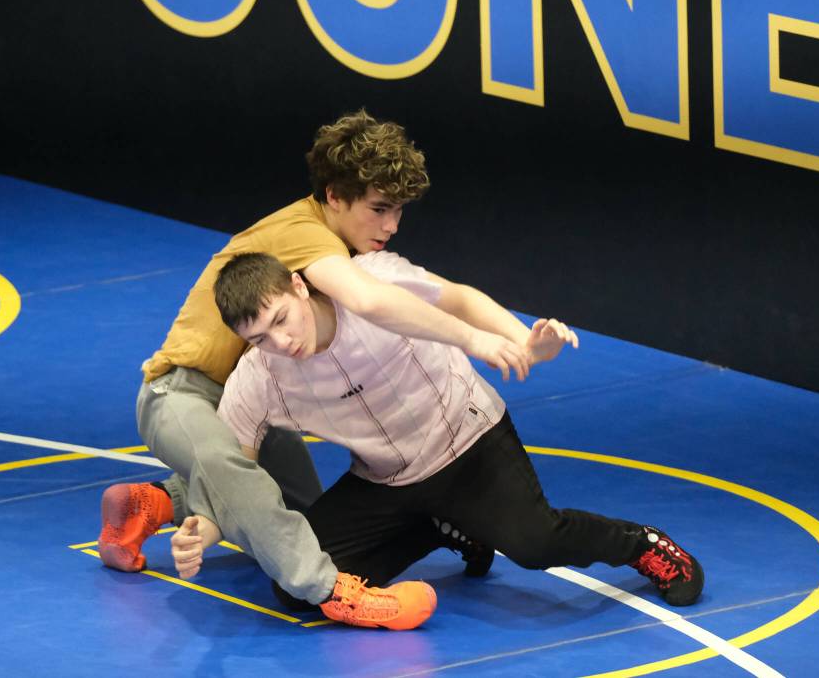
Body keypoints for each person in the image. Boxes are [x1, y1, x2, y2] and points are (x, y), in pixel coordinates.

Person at [97, 110, 530, 630]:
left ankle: (153, 503)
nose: (391, 226)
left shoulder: (338, 242)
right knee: (246, 488)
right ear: (334, 197)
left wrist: (525, 339)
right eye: (379, 209)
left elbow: (446, 293)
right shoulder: (305, 234)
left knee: (306, 519)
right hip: (183, 394)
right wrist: (475, 341)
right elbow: (369, 301)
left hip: (250, 399)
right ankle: (334, 593)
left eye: (398, 211)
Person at [170, 251, 705, 611]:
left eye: (282, 319)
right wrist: (206, 530)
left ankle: (641, 545)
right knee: (297, 587)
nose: (281, 342)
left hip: (468, 443)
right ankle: (444, 528)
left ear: (298, 285)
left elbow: (458, 298)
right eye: (260, 338)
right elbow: (232, 470)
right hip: (384, 481)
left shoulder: (372, 281)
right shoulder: (260, 378)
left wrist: (524, 342)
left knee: (537, 543)